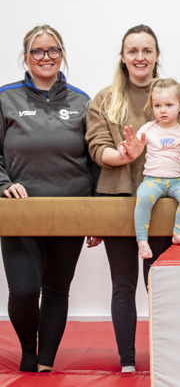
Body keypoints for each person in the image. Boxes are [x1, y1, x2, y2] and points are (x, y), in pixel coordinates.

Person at [0, 25, 100, 372]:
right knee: (25, 290)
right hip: (20, 212)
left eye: (53, 50)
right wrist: (2, 184)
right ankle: (28, 352)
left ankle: (45, 361)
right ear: (25, 56)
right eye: (37, 51)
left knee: (57, 289)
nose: (46, 57)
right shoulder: (5, 97)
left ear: (62, 54)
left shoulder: (81, 101)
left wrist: (95, 215)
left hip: (70, 211)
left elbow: (94, 160)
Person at [85, 24, 176, 373]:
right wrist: (124, 156)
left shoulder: (170, 94)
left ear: (156, 56)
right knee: (123, 283)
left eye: (147, 51)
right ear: (123, 57)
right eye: (133, 51)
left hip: (161, 200)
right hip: (120, 197)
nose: (140, 58)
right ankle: (126, 361)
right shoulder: (106, 99)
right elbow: (96, 149)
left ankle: (163, 359)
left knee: (160, 285)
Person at [118, 78, 180, 258]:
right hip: (153, 181)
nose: (163, 110)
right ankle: (142, 240)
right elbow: (133, 142)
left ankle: (178, 232)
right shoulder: (149, 128)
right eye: (157, 105)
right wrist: (124, 147)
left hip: (177, 182)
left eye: (169, 105)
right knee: (143, 197)